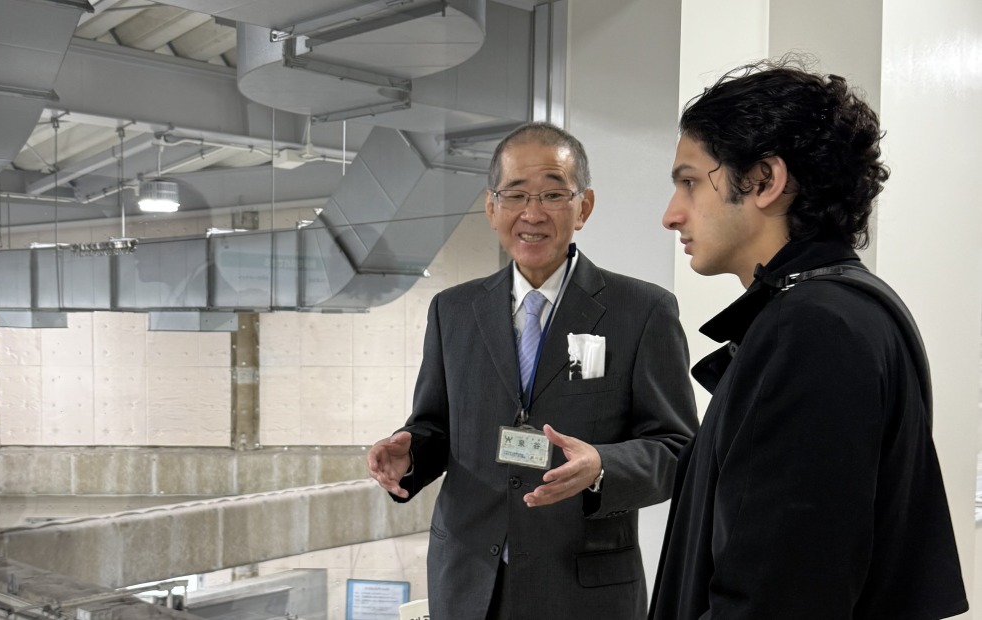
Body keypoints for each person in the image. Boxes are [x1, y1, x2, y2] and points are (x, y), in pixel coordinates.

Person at [649, 59, 968, 619]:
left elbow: (777, 597)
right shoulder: (843, 306)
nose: (672, 214)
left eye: (691, 181)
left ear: (765, 180)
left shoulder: (814, 328)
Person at [367, 121, 698, 620]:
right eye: (516, 194)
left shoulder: (642, 311)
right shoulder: (451, 311)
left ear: (583, 207)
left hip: (583, 588)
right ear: (491, 207)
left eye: (552, 194)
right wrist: (409, 453)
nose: (533, 213)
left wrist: (601, 467)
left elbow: (676, 451)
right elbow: (436, 426)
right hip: (468, 583)